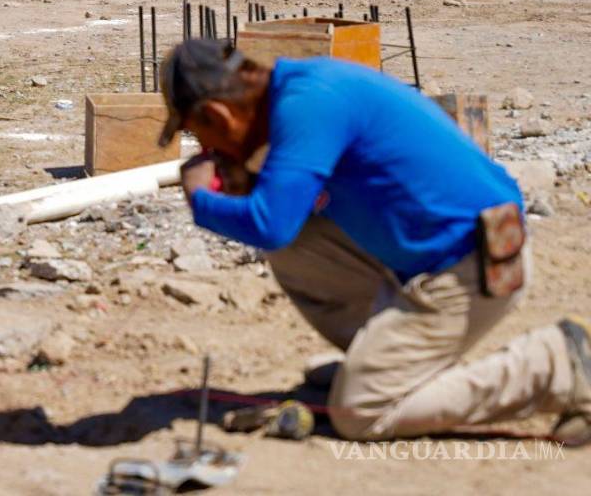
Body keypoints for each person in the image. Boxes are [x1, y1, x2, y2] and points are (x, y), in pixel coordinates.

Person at [158, 38, 589, 446]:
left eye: (201, 134)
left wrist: (201, 198)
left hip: (475, 263)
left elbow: (270, 224)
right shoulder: (304, 87)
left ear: (218, 114)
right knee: (299, 247)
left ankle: (555, 366)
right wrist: (247, 180)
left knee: (360, 412)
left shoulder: (306, 107)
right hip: (448, 254)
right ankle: (386, 357)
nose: (208, 148)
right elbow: (289, 217)